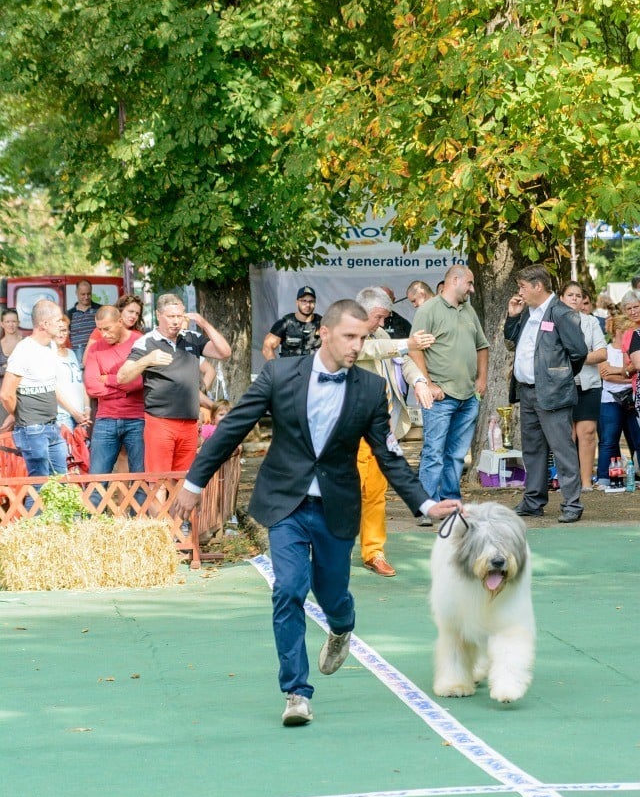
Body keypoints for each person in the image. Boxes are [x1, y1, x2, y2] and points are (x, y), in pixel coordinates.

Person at [171, 299, 461, 727]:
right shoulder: (280, 373)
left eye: (362, 338)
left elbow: (389, 453)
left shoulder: (368, 388)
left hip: (337, 506)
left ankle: (342, 625)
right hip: (285, 503)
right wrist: (194, 483)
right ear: (324, 333)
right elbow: (232, 428)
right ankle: (296, 693)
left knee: (331, 596)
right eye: (349, 336)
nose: (357, 346)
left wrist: (424, 502)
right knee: (288, 589)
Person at [354, 286, 434, 576]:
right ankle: (325, 550)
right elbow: (367, 350)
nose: (381, 323)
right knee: (341, 493)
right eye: (378, 317)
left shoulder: (383, 335)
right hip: (348, 432)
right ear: (363, 310)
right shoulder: (346, 332)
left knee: (376, 494)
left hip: (380, 431)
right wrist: (406, 343)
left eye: (385, 318)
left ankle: (373, 552)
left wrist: (420, 382)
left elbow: (405, 361)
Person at [504, 265, 587, 522]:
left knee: (562, 449)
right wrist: (513, 316)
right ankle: (533, 500)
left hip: (552, 393)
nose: (520, 292)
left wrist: (558, 377)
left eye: (523, 287)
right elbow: (511, 340)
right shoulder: (528, 312)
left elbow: (579, 352)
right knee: (532, 449)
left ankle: (572, 504)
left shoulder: (561, 313)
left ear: (538, 286)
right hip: (527, 391)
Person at [116, 293, 231, 473]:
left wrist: (204, 324)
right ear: (158, 315)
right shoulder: (147, 342)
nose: (176, 321)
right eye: (171, 316)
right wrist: (146, 360)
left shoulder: (191, 338)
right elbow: (122, 377)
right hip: (161, 421)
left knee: (182, 481)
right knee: (159, 482)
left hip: (190, 422)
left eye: (179, 316)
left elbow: (224, 352)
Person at [410, 264, 489, 502]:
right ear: (455, 280)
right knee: (434, 452)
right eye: (470, 283)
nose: (472, 290)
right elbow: (415, 350)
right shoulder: (428, 310)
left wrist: (482, 379)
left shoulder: (468, 310)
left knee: (456, 454)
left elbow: (482, 346)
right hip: (440, 397)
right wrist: (429, 384)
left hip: (468, 396)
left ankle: (450, 500)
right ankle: (426, 504)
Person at [0, 300, 68, 482]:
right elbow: (6, 393)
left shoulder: (51, 346)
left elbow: (51, 386)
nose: (61, 324)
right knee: (39, 485)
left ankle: (65, 512)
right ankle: (32, 512)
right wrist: (17, 415)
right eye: (58, 320)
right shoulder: (24, 350)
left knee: (62, 483)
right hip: (32, 429)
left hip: (52, 425)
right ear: (44, 324)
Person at [84, 306, 146, 477]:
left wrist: (109, 379)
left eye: (107, 329)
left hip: (137, 418)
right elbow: (91, 386)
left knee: (141, 477)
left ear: (120, 322)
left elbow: (139, 381)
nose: (103, 334)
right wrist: (124, 389)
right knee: (96, 478)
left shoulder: (139, 341)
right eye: (100, 329)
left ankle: (138, 506)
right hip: (105, 418)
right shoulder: (96, 348)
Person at [560, 283, 607, 490]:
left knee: (587, 433)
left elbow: (602, 353)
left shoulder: (591, 322)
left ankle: (586, 482)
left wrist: (577, 358)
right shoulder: (552, 322)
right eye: (570, 295)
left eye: (578, 296)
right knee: (566, 435)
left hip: (588, 385)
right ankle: (569, 483)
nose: (574, 299)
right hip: (561, 386)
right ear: (561, 298)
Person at [596, 314, 640, 486]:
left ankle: (636, 474)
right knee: (608, 440)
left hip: (631, 398)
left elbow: (630, 370)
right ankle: (604, 477)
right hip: (610, 400)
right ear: (618, 331)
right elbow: (606, 376)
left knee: (637, 438)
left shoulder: (630, 351)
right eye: (626, 332)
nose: (629, 336)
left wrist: (619, 372)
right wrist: (628, 374)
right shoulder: (606, 350)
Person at [83, 293, 146, 366]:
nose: (134, 316)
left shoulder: (139, 336)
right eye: (131, 311)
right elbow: (86, 361)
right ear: (120, 310)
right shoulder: (100, 330)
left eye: (137, 314)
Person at [261, 286, 322, 359]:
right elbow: (267, 348)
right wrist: (277, 369)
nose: (307, 305)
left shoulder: (322, 324)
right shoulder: (284, 324)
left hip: (312, 369)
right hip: (290, 369)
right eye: (304, 301)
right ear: (297, 302)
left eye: (311, 301)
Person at [55, 316, 91, 431]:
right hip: (62, 416)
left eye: (64, 330)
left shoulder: (71, 353)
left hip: (81, 416)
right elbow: (53, 389)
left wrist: (87, 408)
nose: (61, 334)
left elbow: (80, 382)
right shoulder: (47, 354)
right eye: (57, 330)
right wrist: (74, 413)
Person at [66, 279, 100, 363]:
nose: (86, 297)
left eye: (89, 294)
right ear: (76, 293)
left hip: (97, 352)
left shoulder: (99, 310)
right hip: (77, 355)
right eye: (83, 294)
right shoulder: (69, 314)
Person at [0, 308, 23, 428]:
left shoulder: (25, 343)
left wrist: (6, 367)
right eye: (7, 322)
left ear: (18, 322)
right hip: (2, 396)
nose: (11, 325)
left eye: (14, 321)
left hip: (22, 394)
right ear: (1, 324)